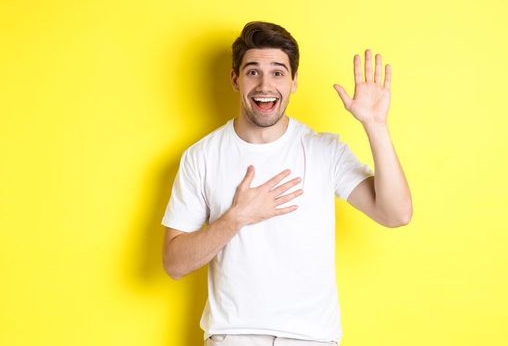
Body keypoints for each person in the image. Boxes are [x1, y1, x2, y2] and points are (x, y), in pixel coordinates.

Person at [161, 21, 413, 346]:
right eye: (253, 72)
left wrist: (375, 125)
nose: (265, 84)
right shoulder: (202, 156)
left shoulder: (325, 150)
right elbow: (174, 264)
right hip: (234, 338)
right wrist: (236, 218)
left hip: (312, 339)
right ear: (235, 79)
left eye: (278, 73)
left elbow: (396, 214)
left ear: (294, 82)